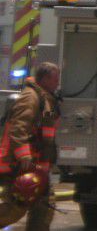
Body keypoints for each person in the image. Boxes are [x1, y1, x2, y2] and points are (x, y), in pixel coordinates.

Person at [0, 62, 61, 231]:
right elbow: (18, 128)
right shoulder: (31, 97)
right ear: (45, 79)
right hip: (22, 165)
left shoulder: (45, 98)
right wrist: (24, 156)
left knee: (43, 208)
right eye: (55, 79)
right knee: (16, 207)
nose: (58, 83)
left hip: (37, 166)